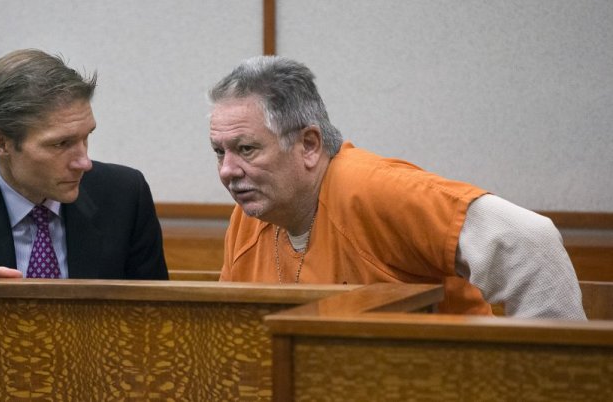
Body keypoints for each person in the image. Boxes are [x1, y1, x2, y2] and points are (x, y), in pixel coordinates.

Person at [208, 55, 585, 319]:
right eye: (218, 152)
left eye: (246, 149)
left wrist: (548, 379)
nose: (228, 170)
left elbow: (529, 241)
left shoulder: (368, 188)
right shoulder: (248, 221)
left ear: (308, 145)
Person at [0, 48, 168, 305]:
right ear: (1, 143)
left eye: (86, 137)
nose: (84, 162)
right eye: (60, 144)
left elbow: (157, 316)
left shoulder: (125, 195)